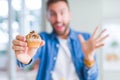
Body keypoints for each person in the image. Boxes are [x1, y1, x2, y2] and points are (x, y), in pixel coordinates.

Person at [12, 0, 109, 80]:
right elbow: (28, 58)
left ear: (70, 15)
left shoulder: (86, 39)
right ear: (48, 17)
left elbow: (92, 78)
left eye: (62, 13)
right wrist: (25, 59)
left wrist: (89, 58)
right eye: (53, 14)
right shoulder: (42, 39)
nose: (58, 19)